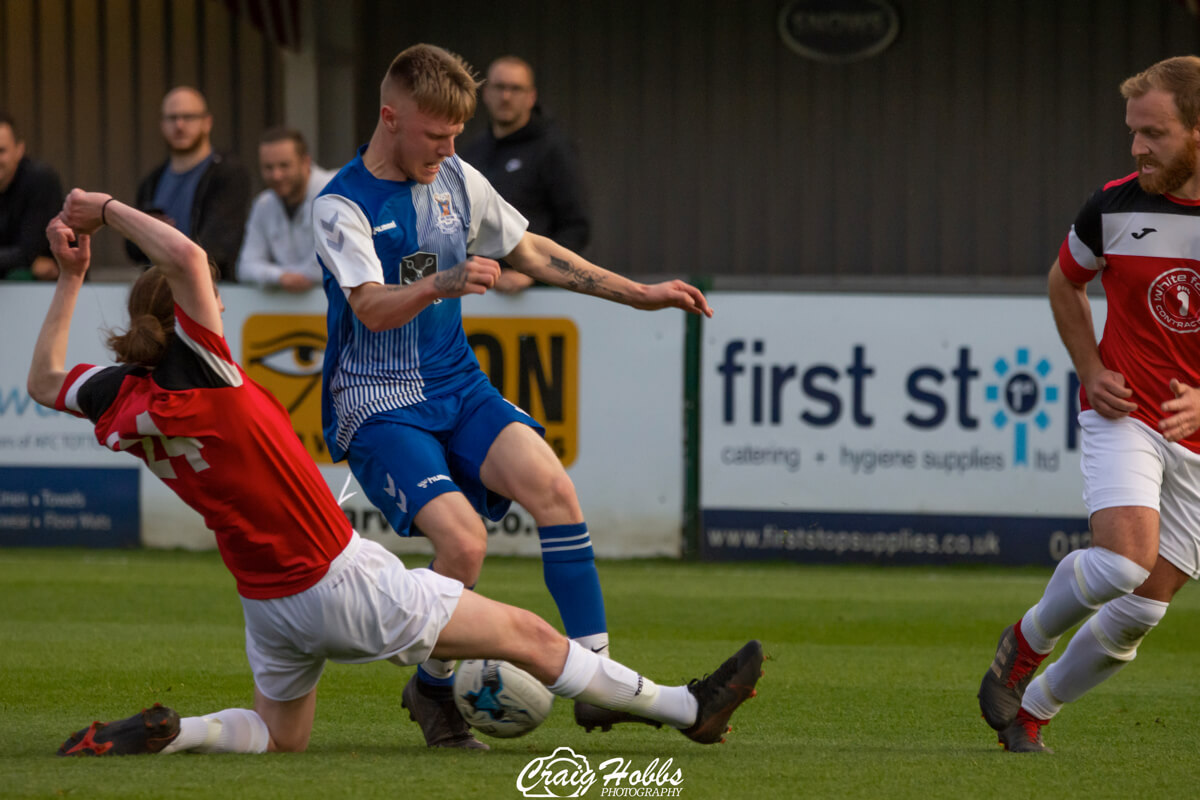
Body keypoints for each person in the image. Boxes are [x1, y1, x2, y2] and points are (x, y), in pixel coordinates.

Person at [36, 188, 762, 757]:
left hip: (266, 602)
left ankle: (181, 731)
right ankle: (688, 710)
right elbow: (190, 259)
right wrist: (104, 211)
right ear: (190, 322)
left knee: (282, 735)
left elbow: (43, 383)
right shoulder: (209, 375)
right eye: (214, 306)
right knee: (533, 638)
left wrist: (71, 278)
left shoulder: (120, 400)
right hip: (338, 579)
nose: (219, 306)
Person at [313, 43, 713, 748]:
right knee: (464, 544)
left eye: (455, 136)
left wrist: (639, 294)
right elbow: (371, 307)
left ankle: (599, 681)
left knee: (554, 490)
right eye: (436, 135)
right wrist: (442, 281)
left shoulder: (457, 178)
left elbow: (532, 249)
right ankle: (433, 688)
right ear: (390, 117)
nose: (449, 148)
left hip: (458, 385)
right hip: (377, 404)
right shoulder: (342, 203)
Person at [978, 55, 1200, 753]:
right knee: (1121, 564)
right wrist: (1091, 367)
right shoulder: (1114, 204)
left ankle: (1032, 711)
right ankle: (1025, 643)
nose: (1136, 147)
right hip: (1123, 409)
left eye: (1154, 133)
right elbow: (1064, 283)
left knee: (1140, 611)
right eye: (1133, 132)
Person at [459, 55, 589, 293]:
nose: (506, 97)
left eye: (515, 89)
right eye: (499, 87)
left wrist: (533, 275)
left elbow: (576, 228)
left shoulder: (553, 150)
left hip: (534, 299)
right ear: (486, 93)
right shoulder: (471, 153)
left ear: (531, 97)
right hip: (475, 295)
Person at [126, 87, 250, 279]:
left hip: (210, 290)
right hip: (160, 291)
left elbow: (219, 245)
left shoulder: (227, 174)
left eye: (189, 117)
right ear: (162, 124)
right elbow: (132, 249)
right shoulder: (152, 181)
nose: (180, 125)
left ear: (207, 122)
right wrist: (145, 232)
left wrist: (157, 238)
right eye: (172, 118)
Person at [236, 128, 335, 291]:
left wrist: (273, 276)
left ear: (306, 162)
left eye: (284, 165)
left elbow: (329, 263)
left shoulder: (334, 192)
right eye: (268, 167)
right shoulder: (264, 204)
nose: (276, 175)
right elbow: (245, 267)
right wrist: (280, 277)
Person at [0, 112, 63, 281]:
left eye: (1, 151)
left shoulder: (40, 180)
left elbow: (27, 252)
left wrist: (24, 260)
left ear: (19, 150)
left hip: (52, 288)